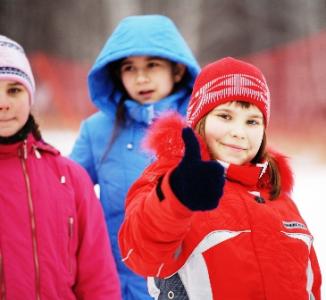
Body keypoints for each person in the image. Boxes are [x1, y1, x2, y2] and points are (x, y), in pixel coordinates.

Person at [118, 57, 322, 299]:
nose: (238, 132)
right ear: (199, 121)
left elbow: (311, 287)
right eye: (225, 116)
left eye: (252, 121)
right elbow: (140, 252)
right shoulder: (171, 183)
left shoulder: (280, 202)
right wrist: (177, 196)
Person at [70, 14, 200, 299]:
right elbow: (67, 194)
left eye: (152, 65)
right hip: (117, 284)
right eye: (130, 68)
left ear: (176, 70)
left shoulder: (199, 126)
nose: (141, 77)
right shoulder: (96, 131)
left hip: (185, 284)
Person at [0, 35, 121, 299]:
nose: (3, 103)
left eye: (14, 90)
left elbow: (97, 276)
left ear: (30, 96)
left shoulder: (69, 178)